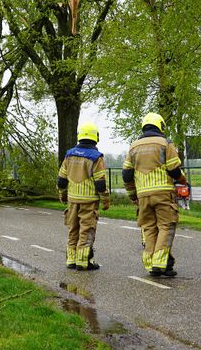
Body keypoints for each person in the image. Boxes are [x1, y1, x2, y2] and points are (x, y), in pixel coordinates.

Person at [122, 113, 189, 277]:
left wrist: (133, 195)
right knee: (166, 226)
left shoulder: (133, 146)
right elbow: (174, 170)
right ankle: (160, 263)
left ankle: (151, 262)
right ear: (160, 126)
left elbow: (126, 175)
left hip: (143, 195)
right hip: (163, 193)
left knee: (150, 228)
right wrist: (182, 179)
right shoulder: (165, 143)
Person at [57, 122, 111, 271]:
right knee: (86, 230)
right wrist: (106, 199)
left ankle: (71, 260)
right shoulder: (96, 157)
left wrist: (62, 195)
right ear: (95, 137)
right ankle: (83, 262)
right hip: (89, 201)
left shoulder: (69, 155)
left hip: (72, 200)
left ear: (80, 136)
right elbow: (100, 183)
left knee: (73, 229)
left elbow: (61, 180)